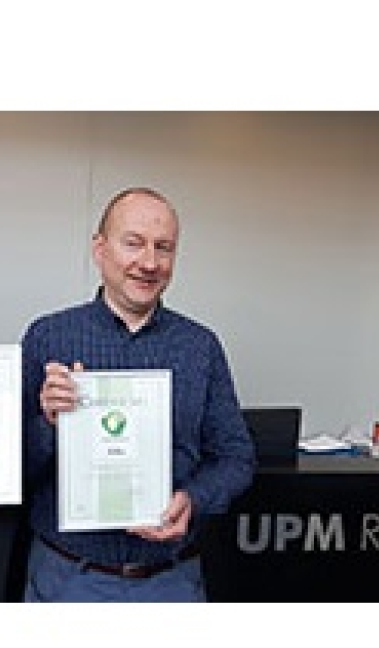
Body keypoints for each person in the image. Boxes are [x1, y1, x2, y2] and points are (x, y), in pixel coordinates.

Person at [19, 187, 255, 602]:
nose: (149, 262)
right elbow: (12, 468)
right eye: (134, 243)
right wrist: (47, 424)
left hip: (171, 580)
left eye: (163, 248)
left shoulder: (200, 347)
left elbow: (236, 457)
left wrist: (194, 499)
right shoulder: (48, 336)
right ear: (99, 249)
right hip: (67, 579)